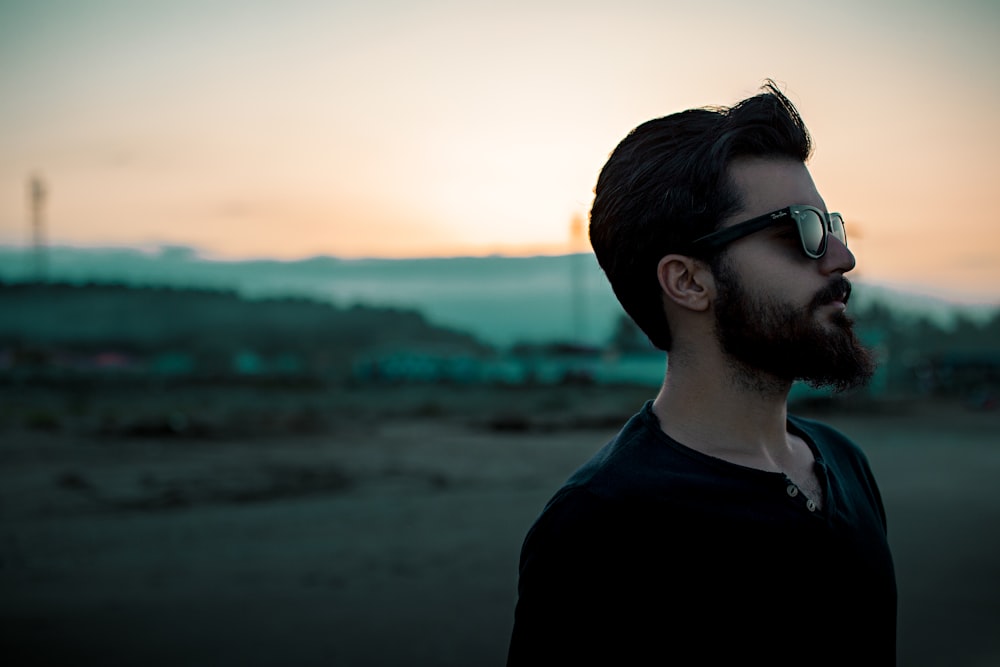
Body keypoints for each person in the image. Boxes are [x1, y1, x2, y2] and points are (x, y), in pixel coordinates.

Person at [506, 81, 897, 665]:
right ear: (688, 282)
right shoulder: (600, 530)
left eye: (832, 225)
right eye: (800, 231)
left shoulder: (844, 463)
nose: (841, 256)